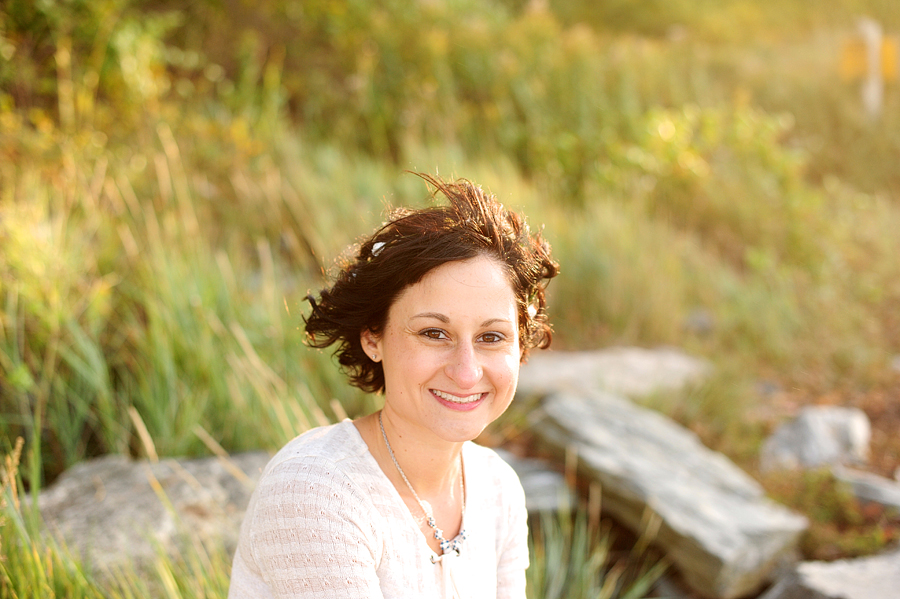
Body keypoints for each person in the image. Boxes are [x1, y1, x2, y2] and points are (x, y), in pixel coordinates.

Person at [228, 173, 559, 599]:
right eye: (433, 333)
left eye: (491, 337)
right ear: (373, 337)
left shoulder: (497, 486)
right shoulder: (316, 491)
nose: (466, 371)